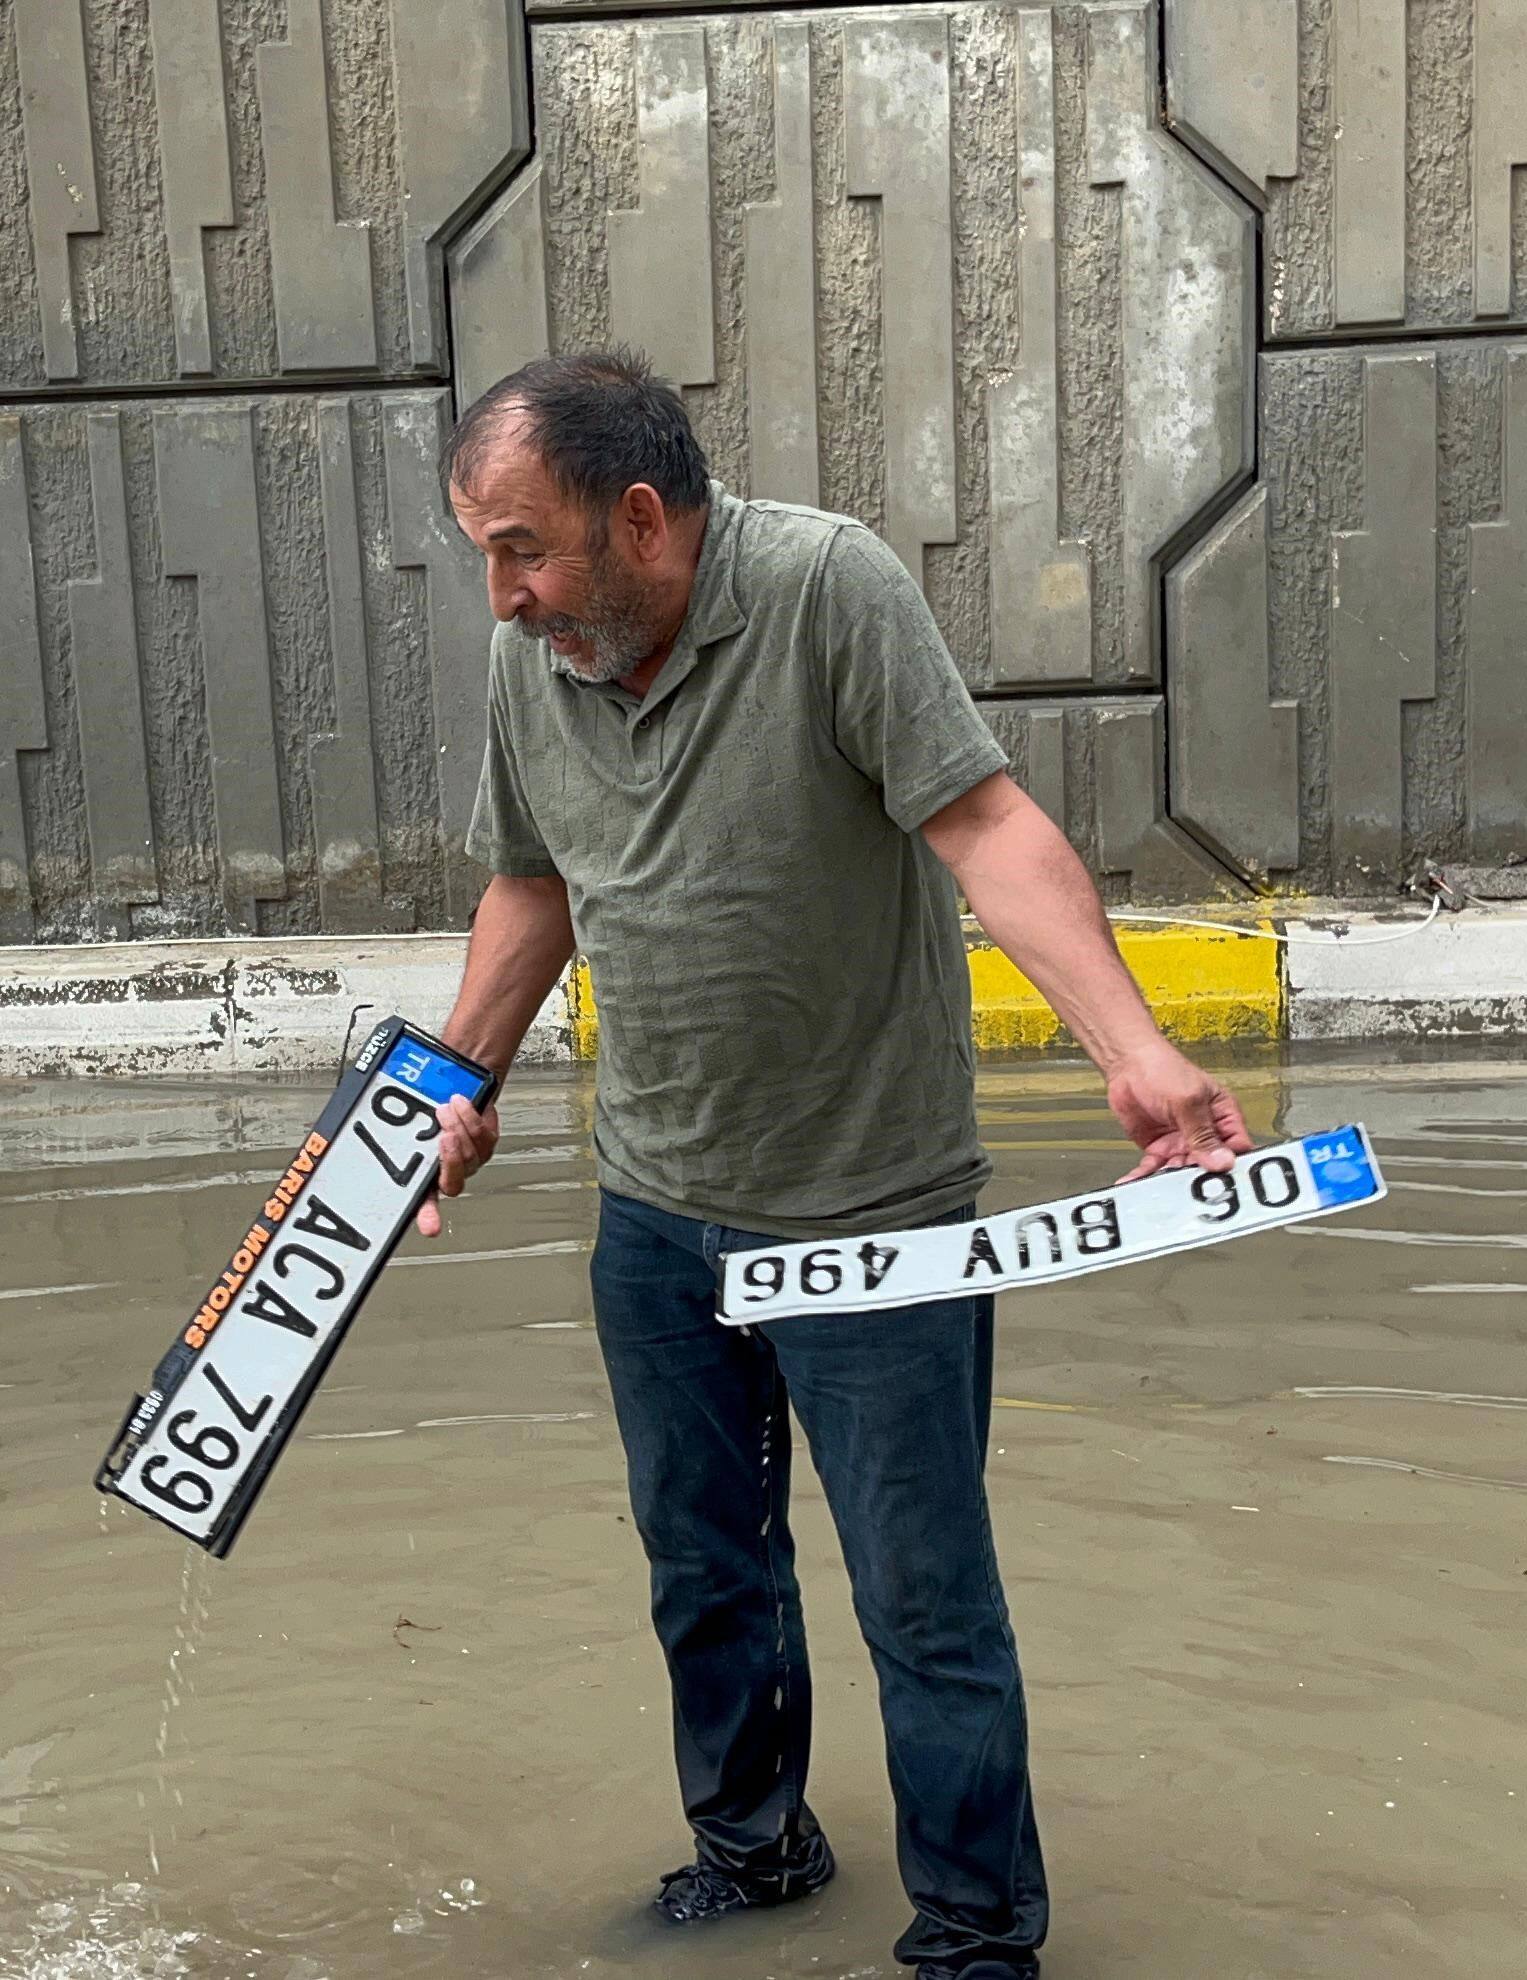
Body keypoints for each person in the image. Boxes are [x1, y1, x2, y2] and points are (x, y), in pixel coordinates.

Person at [410, 351, 1258, 1980]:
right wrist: (459, 1081)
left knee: (924, 1600)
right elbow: (534, 883)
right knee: (702, 1569)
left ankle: (975, 1935)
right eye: (486, 557)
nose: (502, 597)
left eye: (521, 550)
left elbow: (986, 828)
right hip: (656, 1214)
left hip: (878, 1221)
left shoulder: (826, 591)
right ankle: (756, 1853)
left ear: (637, 518)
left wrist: (1132, 1052)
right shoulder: (540, 661)